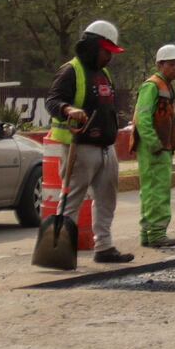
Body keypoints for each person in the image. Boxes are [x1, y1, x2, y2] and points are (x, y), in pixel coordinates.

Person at [44, 20, 133, 264]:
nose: (109, 57)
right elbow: (52, 101)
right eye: (106, 51)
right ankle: (59, 252)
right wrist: (68, 109)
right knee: (72, 201)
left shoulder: (104, 74)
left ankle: (103, 247)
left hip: (106, 148)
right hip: (79, 148)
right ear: (92, 47)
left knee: (107, 200)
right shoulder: (70, 71)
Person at [131, 44, 175, 248]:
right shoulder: (152, 86)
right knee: (158, 191)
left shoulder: (164, 85)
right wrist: (153, 142)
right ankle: (156, 234)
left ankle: (148, 234)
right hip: (154, 147)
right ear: (160, 64)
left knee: (150, 191)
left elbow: (160, 114)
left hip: (158, 145)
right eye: (172, 65)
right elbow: (143, 117)